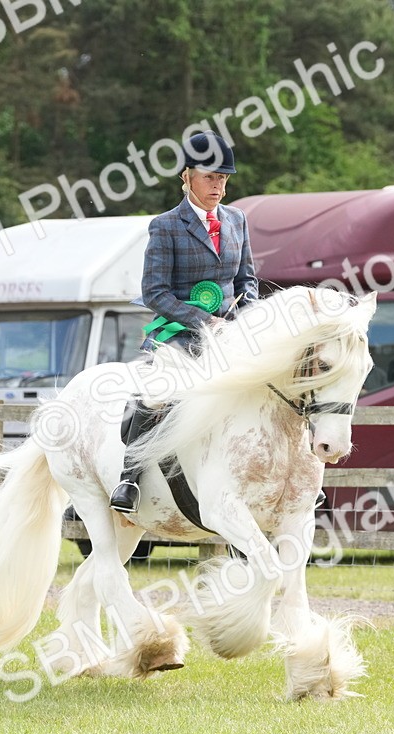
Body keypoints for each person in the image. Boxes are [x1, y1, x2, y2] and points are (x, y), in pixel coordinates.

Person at [109, 130, 258, 513]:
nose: (219, 187)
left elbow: (247, 280)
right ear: (186, 177)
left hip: (232, 330)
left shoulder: (237, 220)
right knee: (156, 389)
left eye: (223, 179)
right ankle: (130, 476)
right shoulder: (166, 225)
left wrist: (245, 316)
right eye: (210, 178)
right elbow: (155, 292)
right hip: (181, 331)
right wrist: (205, 321)